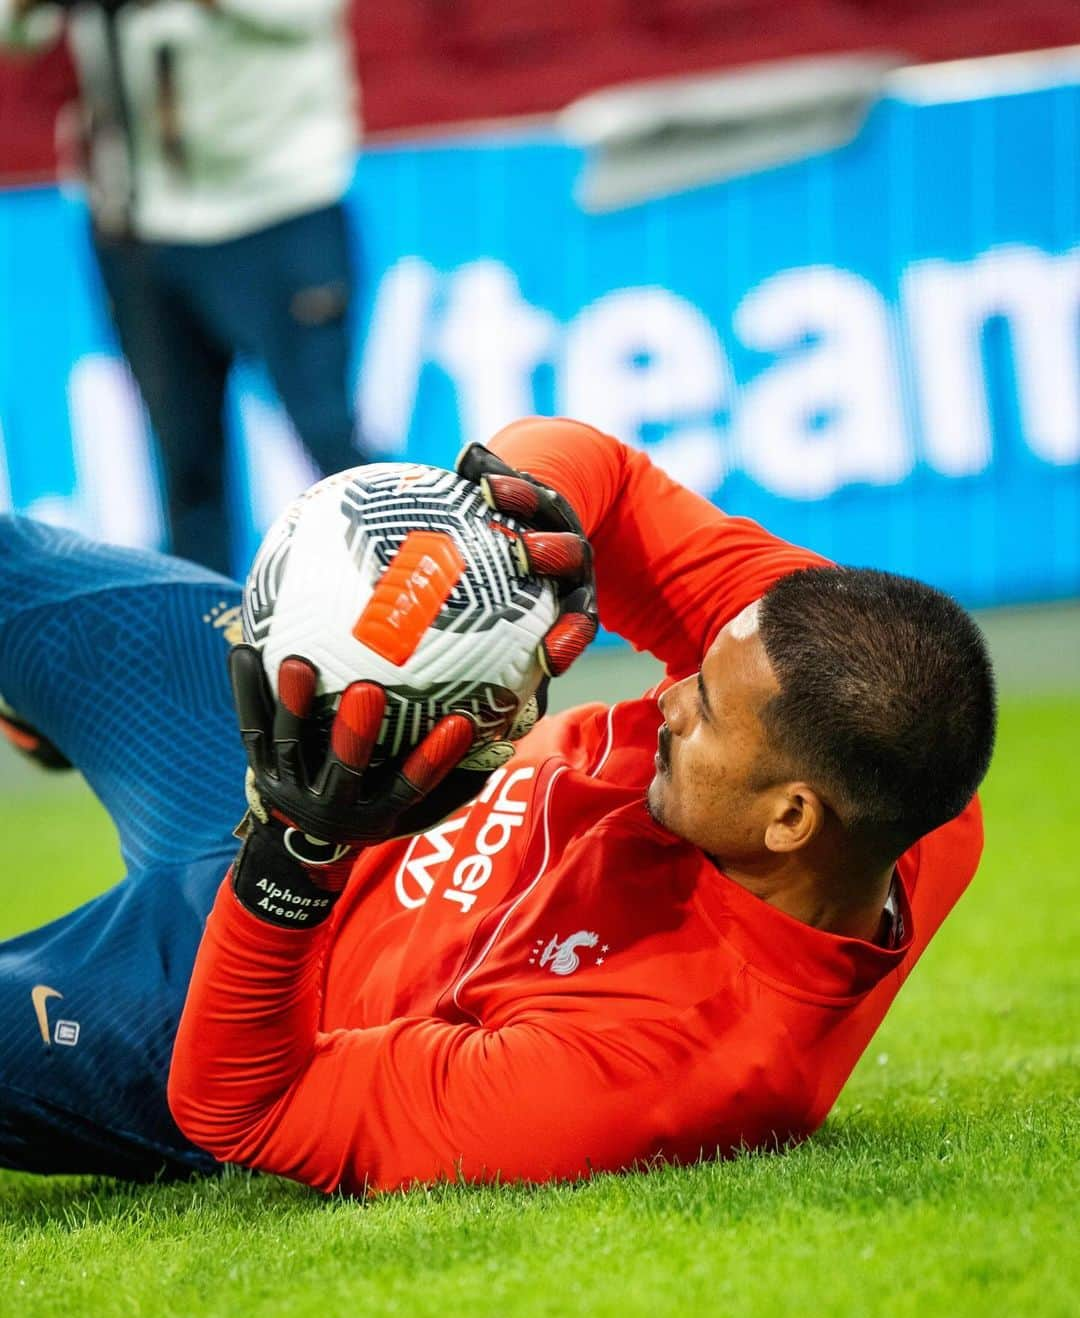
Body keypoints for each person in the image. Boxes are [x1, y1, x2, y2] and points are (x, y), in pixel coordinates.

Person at [0, 417, 996, 1190]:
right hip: (335, 734)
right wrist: (521, 515)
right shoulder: (865, 694)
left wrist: (299, 855)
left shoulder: (658, 1070)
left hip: (224, 987)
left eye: (705, 708)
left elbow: (243, 1106)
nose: (672, 690)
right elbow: (598, 464)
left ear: (791, 819)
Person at [0, 0, 366, 576]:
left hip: (276, 206)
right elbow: (16, 32)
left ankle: (429, 615)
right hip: (137, 224)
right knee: (185, 467)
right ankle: (207, 651)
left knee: (331, 440)